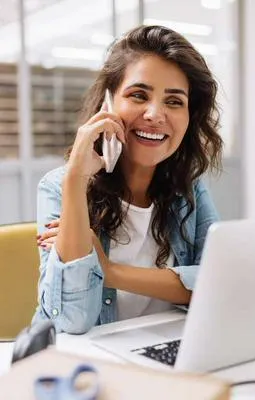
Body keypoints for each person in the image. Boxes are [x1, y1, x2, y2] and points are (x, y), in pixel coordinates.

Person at [32, 25, 223, 334]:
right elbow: (71, 320)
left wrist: (109, 271)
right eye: (138, 95)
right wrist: (76, 179)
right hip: (85, 364)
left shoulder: (189, 190)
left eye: (174, 101)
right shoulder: (59, 186)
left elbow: (216, 285)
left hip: (160, 350)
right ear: (107, 105)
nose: (155, 114)